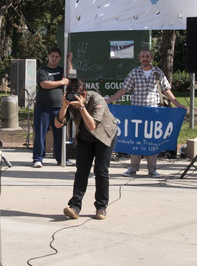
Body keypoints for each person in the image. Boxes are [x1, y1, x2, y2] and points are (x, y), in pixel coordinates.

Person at [105, 48, 185, 177]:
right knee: (135, 139)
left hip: (153, 112)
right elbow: (124, 90)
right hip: (137, 112)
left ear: (151, 58)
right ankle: (133, 168)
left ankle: (152, 169)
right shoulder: (134, 73)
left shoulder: (158, 73)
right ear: (139, 59)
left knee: (152, 140)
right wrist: (110, 100)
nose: (145, 59)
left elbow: (166, 90)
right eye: (142, 56)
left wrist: (177, 104)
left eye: (147, 56)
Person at [56, 79, 117, 220]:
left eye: (77, 96)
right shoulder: (70, 102)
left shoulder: (96, 99)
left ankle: (101, 207)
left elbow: (92, 125)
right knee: (81, 171)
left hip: (104, 135)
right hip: (85, 137)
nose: (74, 100)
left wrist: (82, 107)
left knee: (101, 170)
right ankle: (75, 207)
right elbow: (58, 124)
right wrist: (64, 106)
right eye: (71, 96)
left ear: (84, 94)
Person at [31, 46, 69, 168]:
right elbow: (44, 84)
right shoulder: (42, 70)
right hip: (43, 108)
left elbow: (70, 77)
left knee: (60, 135)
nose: (54, 58)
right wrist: (61, 82)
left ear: (60, 58)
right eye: (52, 56)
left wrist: (69, 61)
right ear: (48, 56)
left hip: (59, 108)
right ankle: (38, 159)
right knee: (40, 134)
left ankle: (62, 158)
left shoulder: (61, 70)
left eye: (56, 56)